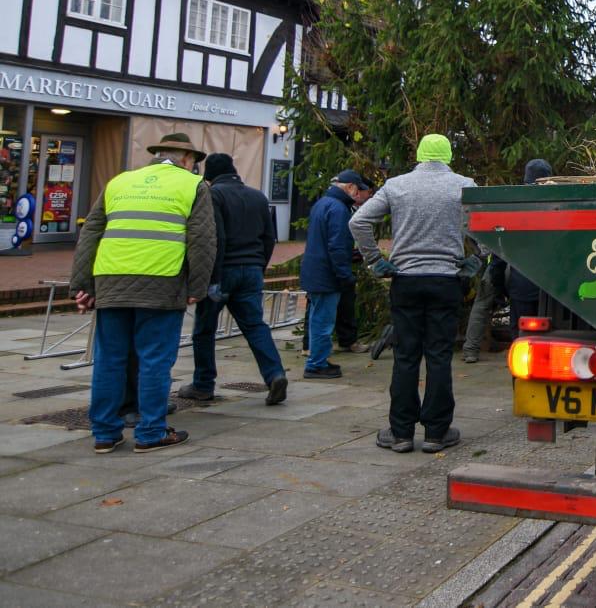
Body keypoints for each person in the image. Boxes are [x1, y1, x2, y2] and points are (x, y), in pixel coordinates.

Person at [70, 132, 215, 453]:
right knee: (154, 360)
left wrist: (82, 286)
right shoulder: (193, 185)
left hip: (111, 279)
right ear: (188, 160)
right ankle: (151, 432)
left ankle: (105, 433)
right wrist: (197, 288)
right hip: (162, 280)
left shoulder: (119, 182)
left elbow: (90, 233)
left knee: (109, 359)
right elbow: (203, 241)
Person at [350, 133, 474, 454]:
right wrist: (478, 258)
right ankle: (437, 432)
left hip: (405, 280)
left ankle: (401, 432)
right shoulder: (464, 185)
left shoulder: (396, 185)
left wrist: (376, 260)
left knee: (405, 356)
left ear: (419, 155)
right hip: (446, 280)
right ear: (448, 156)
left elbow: (359, 221)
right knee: (439, 356)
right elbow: (490, 223)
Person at [176, 153, 288, 406]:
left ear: (209, 176)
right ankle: (275, 374)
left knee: (204, 330)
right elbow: (269, 237)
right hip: (251, 270)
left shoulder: (213, 195)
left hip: (222, 270)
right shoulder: (258, 196)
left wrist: (211, 277)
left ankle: (203, 385)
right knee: (255, 326)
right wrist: (260, 266)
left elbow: (216, 237)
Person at [462, 158, 551, 363]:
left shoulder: (514, 205)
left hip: (517, 279)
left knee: (504, 319)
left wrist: (501, 288)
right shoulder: (555, 206)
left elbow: (499, 252)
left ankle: (471, 350)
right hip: (547, 285)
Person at [300, 170, 373, 379]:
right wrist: (345, 276)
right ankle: (316, 364)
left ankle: (316, 359)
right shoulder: (339, 209)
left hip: (315, 271)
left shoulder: (323, 203)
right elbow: (338, 247)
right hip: (327, 275)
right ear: (350, 187)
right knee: (323, 321)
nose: (359, 194)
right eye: (358, 189)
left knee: (317, 319)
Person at [335, 179, 375, 354]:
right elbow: (336, 240)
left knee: (345, 303)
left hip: (342, 262)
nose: (369, 197)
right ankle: (311, 347)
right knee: (322, 306)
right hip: (336, 265)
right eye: (368, 193)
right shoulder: (337, 208)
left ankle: (347, 340)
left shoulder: (347, 207)